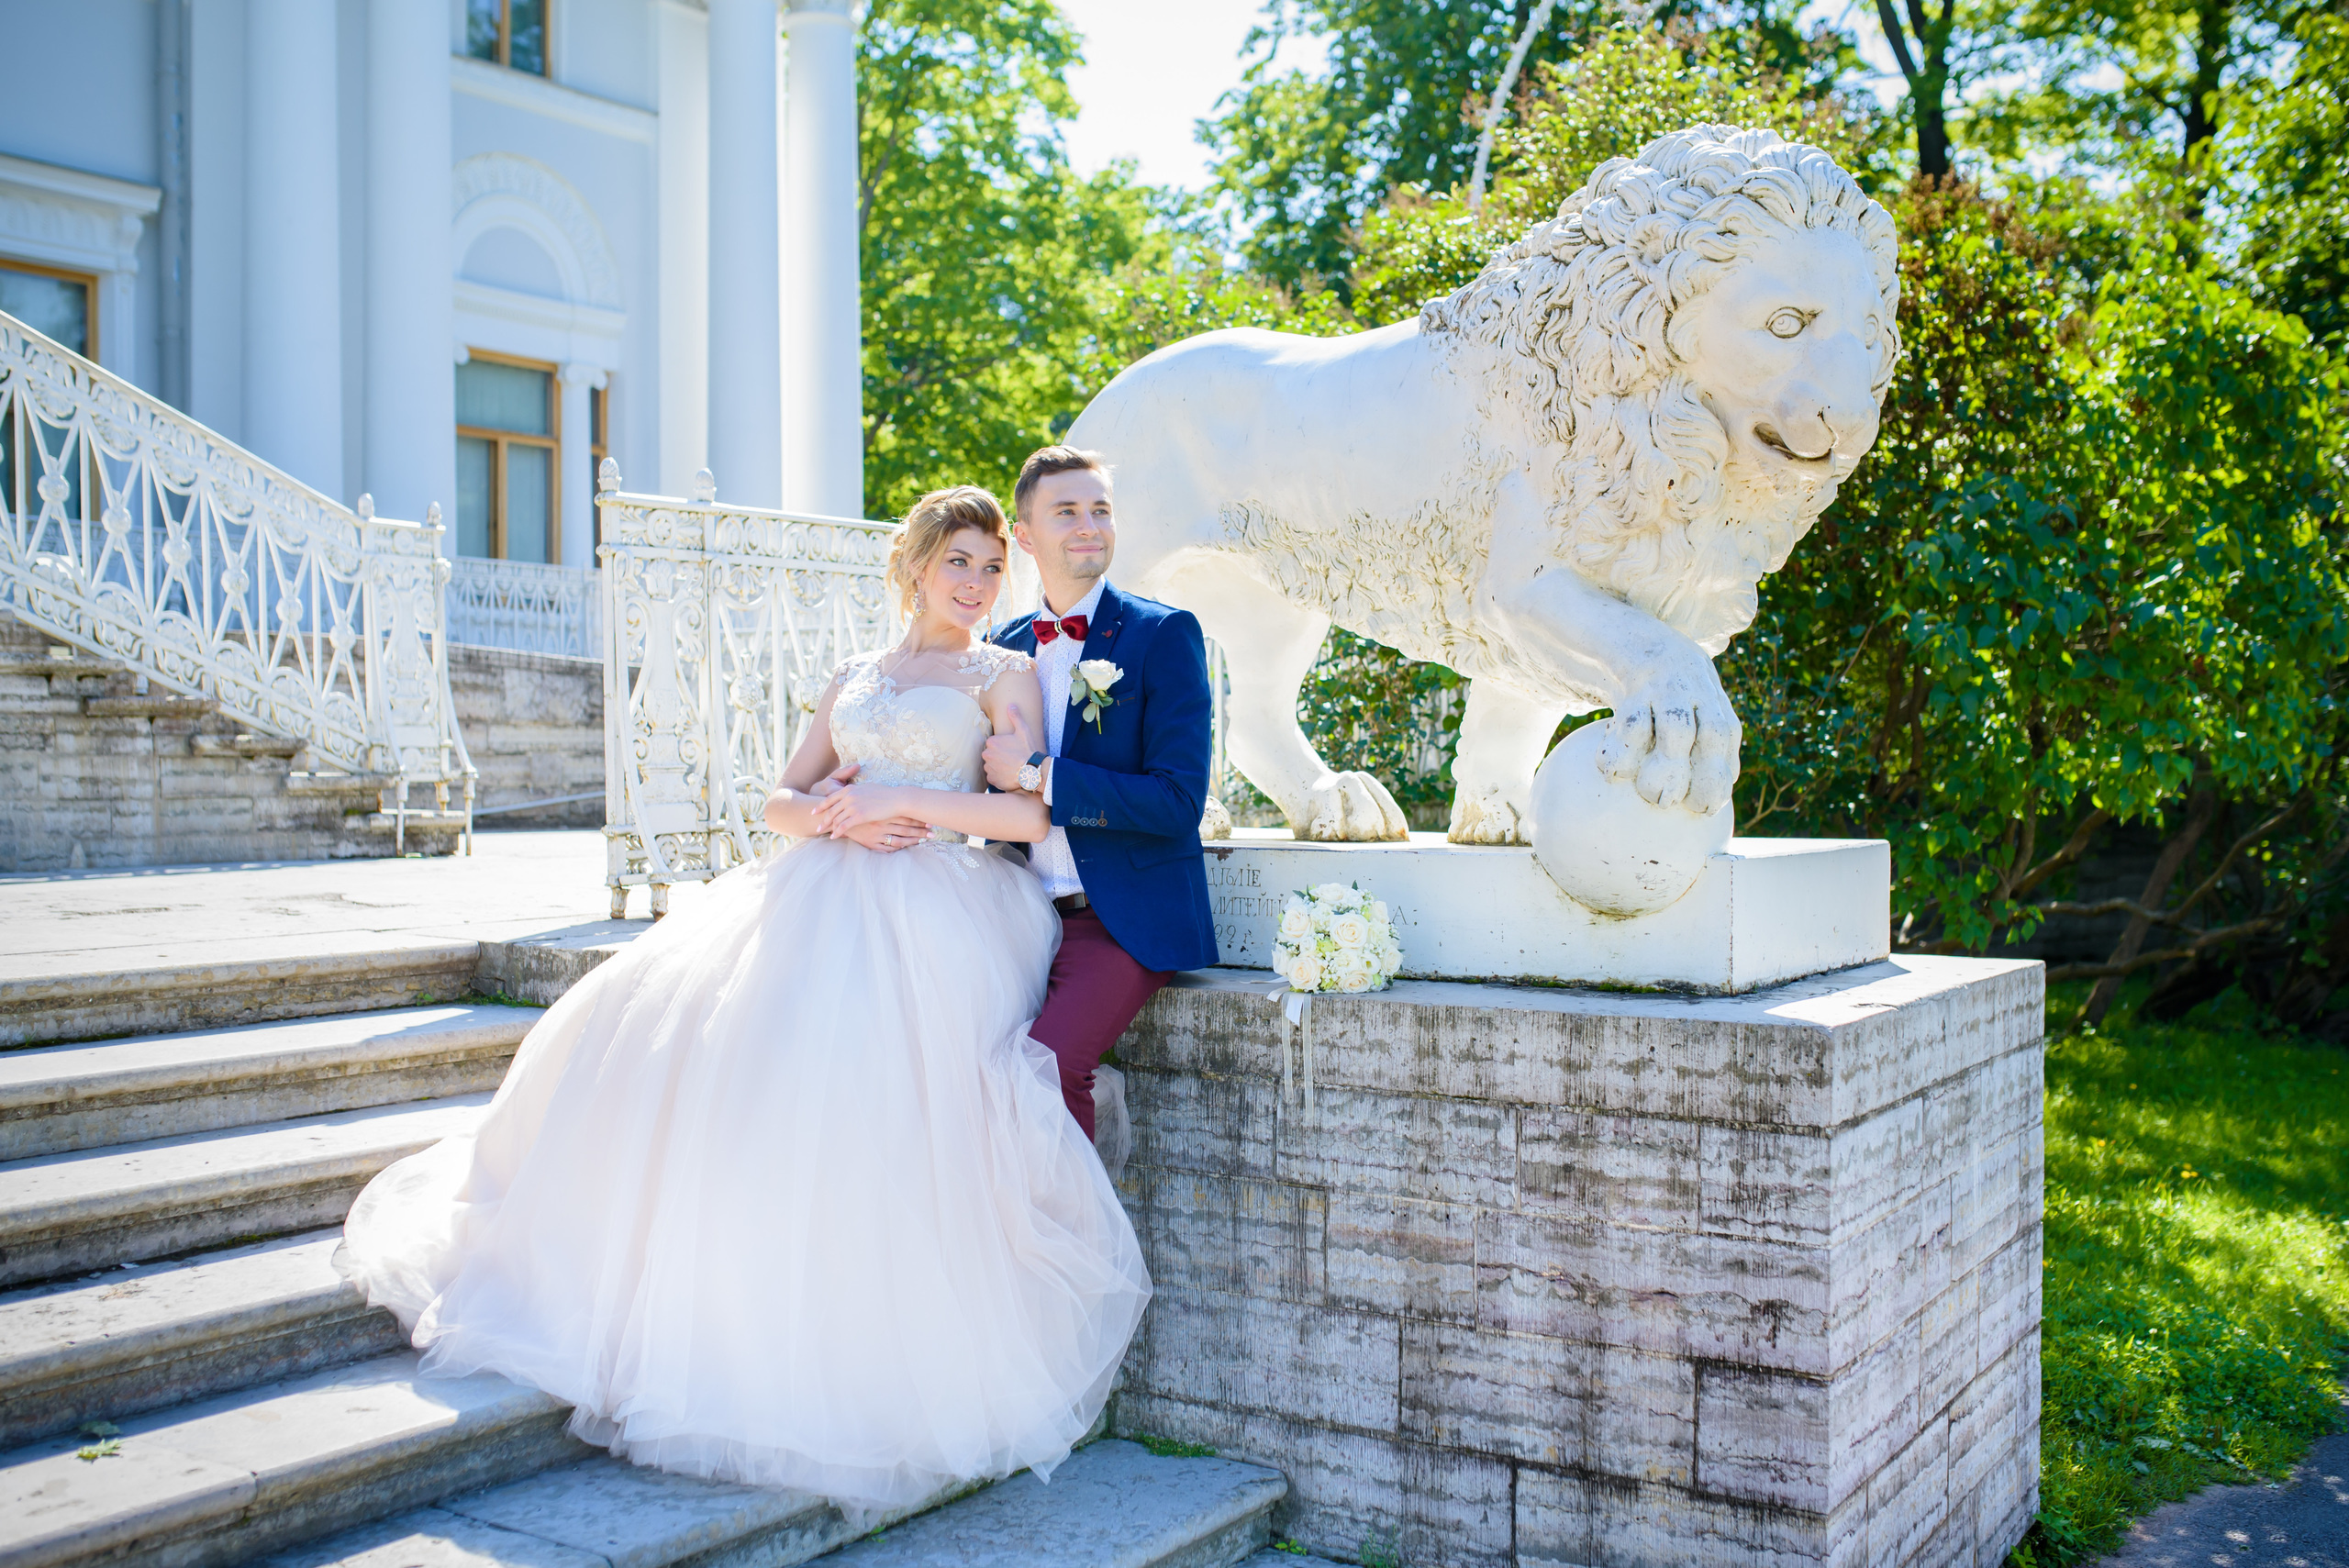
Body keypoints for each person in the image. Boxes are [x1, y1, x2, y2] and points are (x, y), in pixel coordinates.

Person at [336, 486, 1151, 1516]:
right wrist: (835, 824)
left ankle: (859, 1337)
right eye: (960, 561)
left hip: (944, 904)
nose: (979, 582)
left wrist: (895, 799)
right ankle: (702, 1307)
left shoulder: (1004, 673)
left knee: (881, 1111)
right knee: (685, 1050)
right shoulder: (851, 674)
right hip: (825, 882)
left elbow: (1024, 807)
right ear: (915, 566)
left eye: (993, 565)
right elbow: (778, 796)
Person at [983, 446, 1220, 1140]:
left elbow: (1177, 800)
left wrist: (1040, 773)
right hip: (1018, 913)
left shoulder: (1161, 635)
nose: (1090, 525)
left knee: (1047, 1065)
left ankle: (1072, 1244)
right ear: (1025, 535)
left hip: (1118, 920)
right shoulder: (1005, 645)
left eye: (1101, 509)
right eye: (1067, 512)